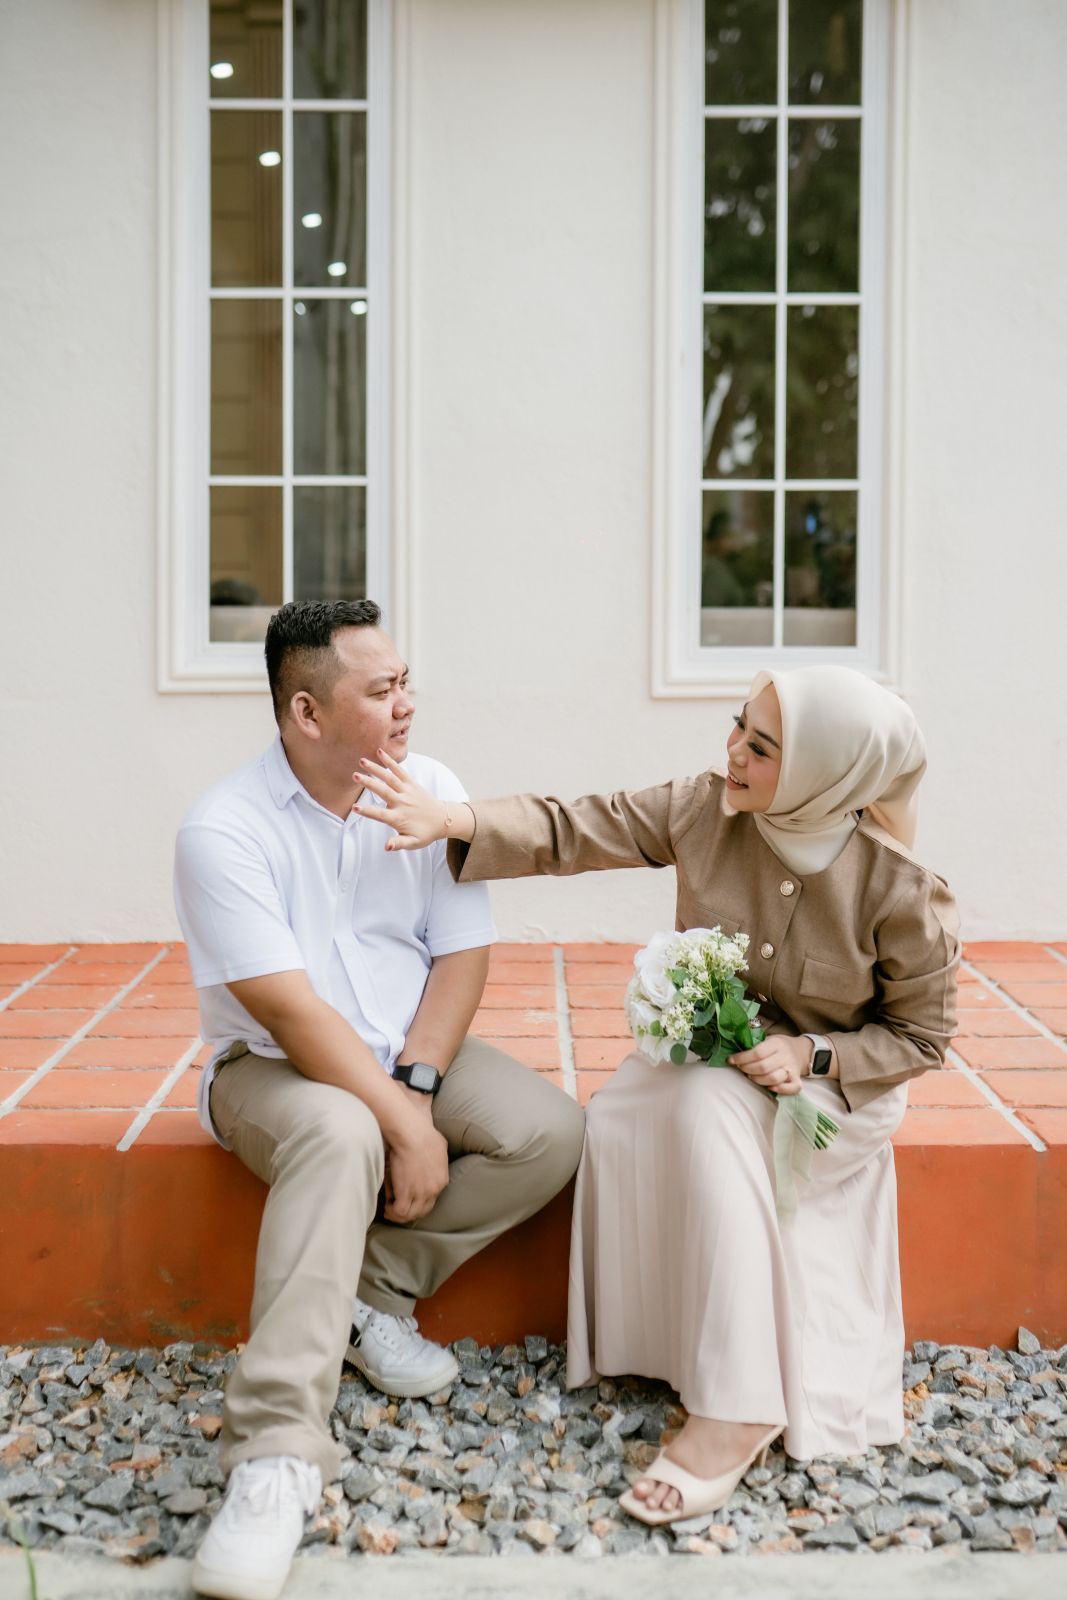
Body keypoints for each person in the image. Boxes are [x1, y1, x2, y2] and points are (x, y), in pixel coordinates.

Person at [351, 665, 960, 1526]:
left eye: (762, 747)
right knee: (627, 1108)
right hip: (715, 1064)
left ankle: (737, 1408)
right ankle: (659, 1344)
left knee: (704, 1112)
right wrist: (452, 819)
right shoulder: (705, 809)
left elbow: (920, 1039)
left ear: (827, 773)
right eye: (738, 726)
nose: (733, 752)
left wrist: (813, 1053)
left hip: (830, 1099)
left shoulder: (901, 890)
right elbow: (576, 827)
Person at [173, 599, 585, 1600]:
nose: (406, 705)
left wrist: (418, 1084)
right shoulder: (222, 830)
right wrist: (400, 1122)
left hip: (408, 1048)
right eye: (381, 690)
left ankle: (367, 1293)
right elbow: (289, 1008)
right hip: (271, 1067)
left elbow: (460, 955)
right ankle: (274, 1452)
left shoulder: (430, 789)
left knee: (549, 1131)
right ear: (306, 712)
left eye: (406, 683)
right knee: (342, 1132)